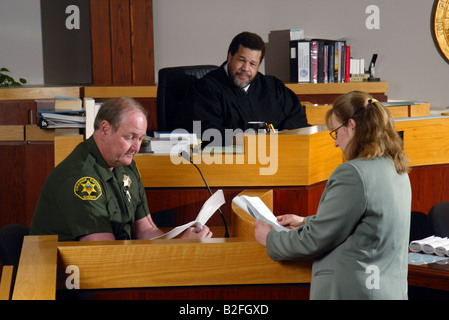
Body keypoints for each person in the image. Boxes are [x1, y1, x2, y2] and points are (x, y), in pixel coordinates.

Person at [254, 91, 411, 300]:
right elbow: (368, 223)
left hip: (355, 292)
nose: (336, 143)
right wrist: (305, 221)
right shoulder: (395, 167)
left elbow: (315, 239)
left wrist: (271, 239)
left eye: (336, 132)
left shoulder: (353, 173)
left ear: (352, 126)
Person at [30, 97, 212, 241]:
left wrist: (180, 242)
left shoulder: (125, 164)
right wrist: (178, 248)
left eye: (140, 138)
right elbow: (103, 251)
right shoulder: (82, 179)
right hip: (65, 277)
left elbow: (146, 230)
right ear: (105, 129)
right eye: (130, 137)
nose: (136, 147)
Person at [178, 31, 309, 145]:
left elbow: (297, 119)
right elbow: (203, 131)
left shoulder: (273, 87)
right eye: (241, 60)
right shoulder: (206, 89)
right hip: (229, 164)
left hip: (279, 158)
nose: (246, 68)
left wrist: (288, 134)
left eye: (253, 64)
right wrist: (237, 139)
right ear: (230, 57)